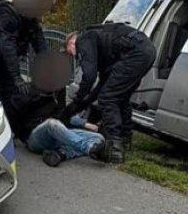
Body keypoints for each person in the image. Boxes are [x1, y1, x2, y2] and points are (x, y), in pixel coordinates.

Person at [63, 23, 155, 164]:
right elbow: (101, 84)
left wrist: (77, 99)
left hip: (136, 53)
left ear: (71, 42)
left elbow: (89, 76)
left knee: (108, 98)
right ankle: (124, 140)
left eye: (70, 52)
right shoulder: (101, 43)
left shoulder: (84, 39)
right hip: (146, 50)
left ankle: (114, 148)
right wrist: (80, 105)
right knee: (120, 97)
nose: (74, 56)